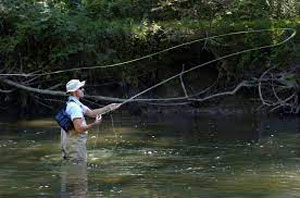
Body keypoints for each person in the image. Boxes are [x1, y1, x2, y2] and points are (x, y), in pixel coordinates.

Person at [61, 79, 120, 163]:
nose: (83, 89)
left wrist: (109, 107)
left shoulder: (74, 103)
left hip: (70, 145)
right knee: (78, 173)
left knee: (73, 173)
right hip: (75, 148)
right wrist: (94, 124)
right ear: (74, 92)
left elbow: (92, 113)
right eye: (80, 88)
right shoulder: (75, 108)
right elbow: (79, 129)